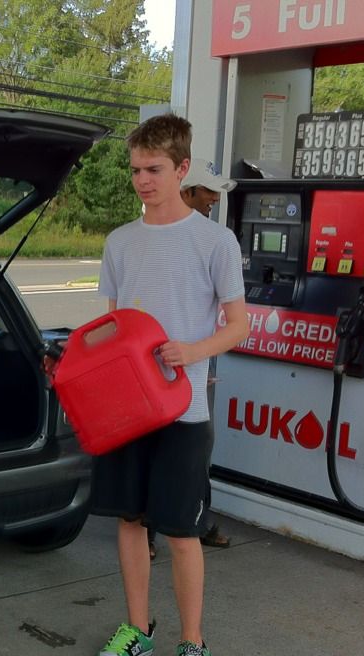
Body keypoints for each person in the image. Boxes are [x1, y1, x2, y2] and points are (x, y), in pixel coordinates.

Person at [87, 115, 249, 656]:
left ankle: (194, 643)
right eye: (135, 170)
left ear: (182, 169)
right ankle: (137, 628)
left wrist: (191, 351)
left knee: (181, 531)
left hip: (182, 413)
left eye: (154, 170)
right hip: (128, 413)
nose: (142, 181)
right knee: (129, 522)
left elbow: (238, 325)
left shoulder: (213, 241)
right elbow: (113, 326)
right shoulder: (120, 242)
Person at [147, 158, 238, 560]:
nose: (214, 198)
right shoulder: (140, 241)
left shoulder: (217, 241)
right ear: (185, 190)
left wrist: (198, 359)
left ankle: (194, 523)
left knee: (193, 463)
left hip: (191, 391)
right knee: (153, 470)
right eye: (207, 191)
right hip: (151, 389)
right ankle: (152, 534)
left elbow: (236, 324)